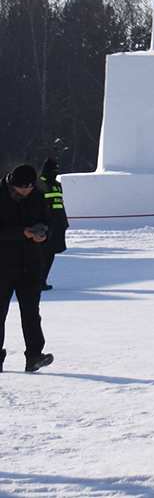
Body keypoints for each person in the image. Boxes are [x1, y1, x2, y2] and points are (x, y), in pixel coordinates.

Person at [0, 164, 53, 372]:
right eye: (23, 188)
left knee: (31, 312)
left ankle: (34, 355)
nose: (27, 191)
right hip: (3, 265)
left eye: (30, 187)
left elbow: (49, 222)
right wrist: (22, 232)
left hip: (30, 264)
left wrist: (44, 234)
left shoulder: (38, 196)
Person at [39, 157, 67, 292]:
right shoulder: (38, 184)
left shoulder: (57, 184)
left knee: (50, 255)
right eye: (53, 170)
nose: (55, 173)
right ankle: (37, 280)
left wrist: (64, 223)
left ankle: (42, 279)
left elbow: (59, 204)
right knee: (42, 254)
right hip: (44, 225)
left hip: (57, 225)